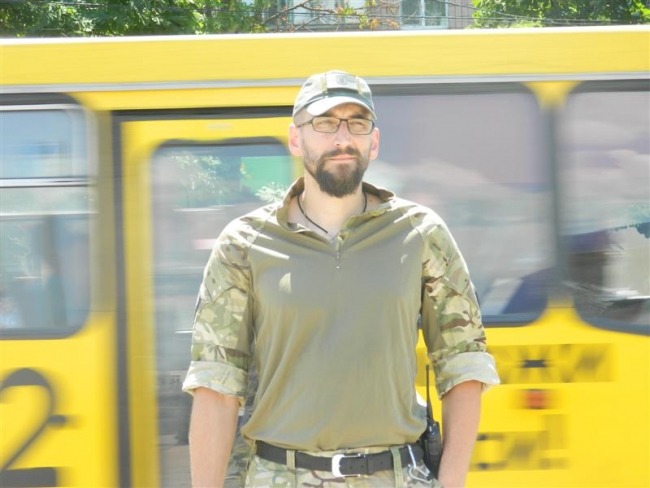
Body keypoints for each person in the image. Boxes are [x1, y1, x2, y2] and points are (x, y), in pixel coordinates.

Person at [182, 70, 500, 488]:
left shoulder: (422, 233)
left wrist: (452, 482)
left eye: (357, 123)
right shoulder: (243, 244)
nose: (342, 138)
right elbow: (217, 386)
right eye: (325, 123)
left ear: (374, 141)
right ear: (296, 139)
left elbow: (463, 364)